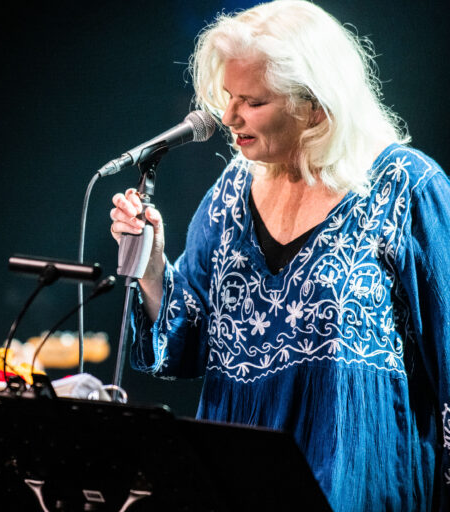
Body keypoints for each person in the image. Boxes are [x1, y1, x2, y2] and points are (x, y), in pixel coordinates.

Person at [109, 1, 449, 510]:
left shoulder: (406, 187)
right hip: (238, 482)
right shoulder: (228, 196)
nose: (228, 117)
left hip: (357, 484)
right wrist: (154, 268)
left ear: (315, 105)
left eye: (253, 101)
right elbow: (185, 342)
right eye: (228, 97)